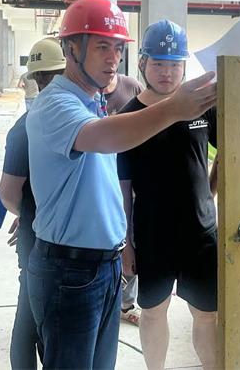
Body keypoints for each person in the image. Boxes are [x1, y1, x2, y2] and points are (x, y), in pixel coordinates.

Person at [25, 0, 216, 370]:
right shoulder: (56, 104)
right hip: (70, 269)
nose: (113, 58)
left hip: (103, 267)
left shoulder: (92, 101)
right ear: (70, 48)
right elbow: (104, 138)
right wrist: (174, 107)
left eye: (117, 48)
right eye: (101, 46)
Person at [117, 19, 219, 370]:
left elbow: (230, 148)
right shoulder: (130, 116)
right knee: (153, 311)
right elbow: (123, 186)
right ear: (143, 62)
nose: (167, 72)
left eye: (175, 64)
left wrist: (209, 192)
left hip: (200, 234)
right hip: (153, 235)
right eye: (159, 63)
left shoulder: (202, 106)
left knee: (206, 314)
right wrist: (127, 243)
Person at [0, 37, 66, 370]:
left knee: (28, 313)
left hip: (37, 234)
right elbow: (9, 193)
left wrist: (28, 214)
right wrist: (30, 216)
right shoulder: (40, 125)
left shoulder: (24, 126)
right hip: (52, 239)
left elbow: (10, 195)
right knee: (38, 320)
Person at [104, 72, 144, 327]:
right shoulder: (89, 92)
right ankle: (108, 299)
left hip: (130, 175)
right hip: (105, 176)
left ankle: (127, 303)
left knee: (131, 237)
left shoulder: (130, 86)